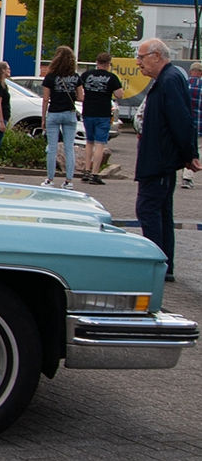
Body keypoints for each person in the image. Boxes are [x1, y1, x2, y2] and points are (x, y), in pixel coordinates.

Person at [134, 37, 201, 282]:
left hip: (160, 161)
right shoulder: (165, 80)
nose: (138, 62)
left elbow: (181, 120)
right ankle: (164, 266)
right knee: (160, 211)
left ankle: (156, 264)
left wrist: (189, 154)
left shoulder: (170, 80)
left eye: (142, 57)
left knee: (149, 210)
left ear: (157, 56)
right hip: (157, 159)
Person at [40, 45, 83, 188]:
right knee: (69, 148)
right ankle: (69, 181)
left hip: (54, 113)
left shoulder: (50, 77)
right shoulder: (75, 77)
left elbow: (45, 99)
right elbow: (81, 97)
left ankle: (50, 179)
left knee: (52, 148)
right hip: (70, 113)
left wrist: (43, 118)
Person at [79, 52, 125, 184]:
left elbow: (80, 91)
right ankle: (95, 173)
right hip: (103, 113)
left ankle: (86, 171)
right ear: (108, 64)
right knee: (100, 144)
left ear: (97, 62)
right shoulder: (111, 77)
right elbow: (119, 94)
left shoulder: (87, 75)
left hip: (88, 111)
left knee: (89, 142)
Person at [186, 62, 202, 188]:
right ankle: (188, 176)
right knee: (197, 150)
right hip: (199, 123)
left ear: (191, 71)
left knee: (185, 147)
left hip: (184, 123)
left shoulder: (183, 84)